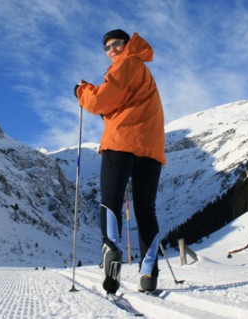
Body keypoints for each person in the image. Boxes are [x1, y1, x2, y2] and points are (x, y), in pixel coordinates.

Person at [74, 29, 165, 294]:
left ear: (127, 45)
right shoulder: (142, 71)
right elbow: (124, 106)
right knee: (146, 210)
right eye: (107, 47)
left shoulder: (126, 63)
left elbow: (102, 100)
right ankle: (149, 273)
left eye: (116, 44)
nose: (111, 49)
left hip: (122, 144)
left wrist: (82, 91)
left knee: (111, 201)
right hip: (150, 149)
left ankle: (112, 256)